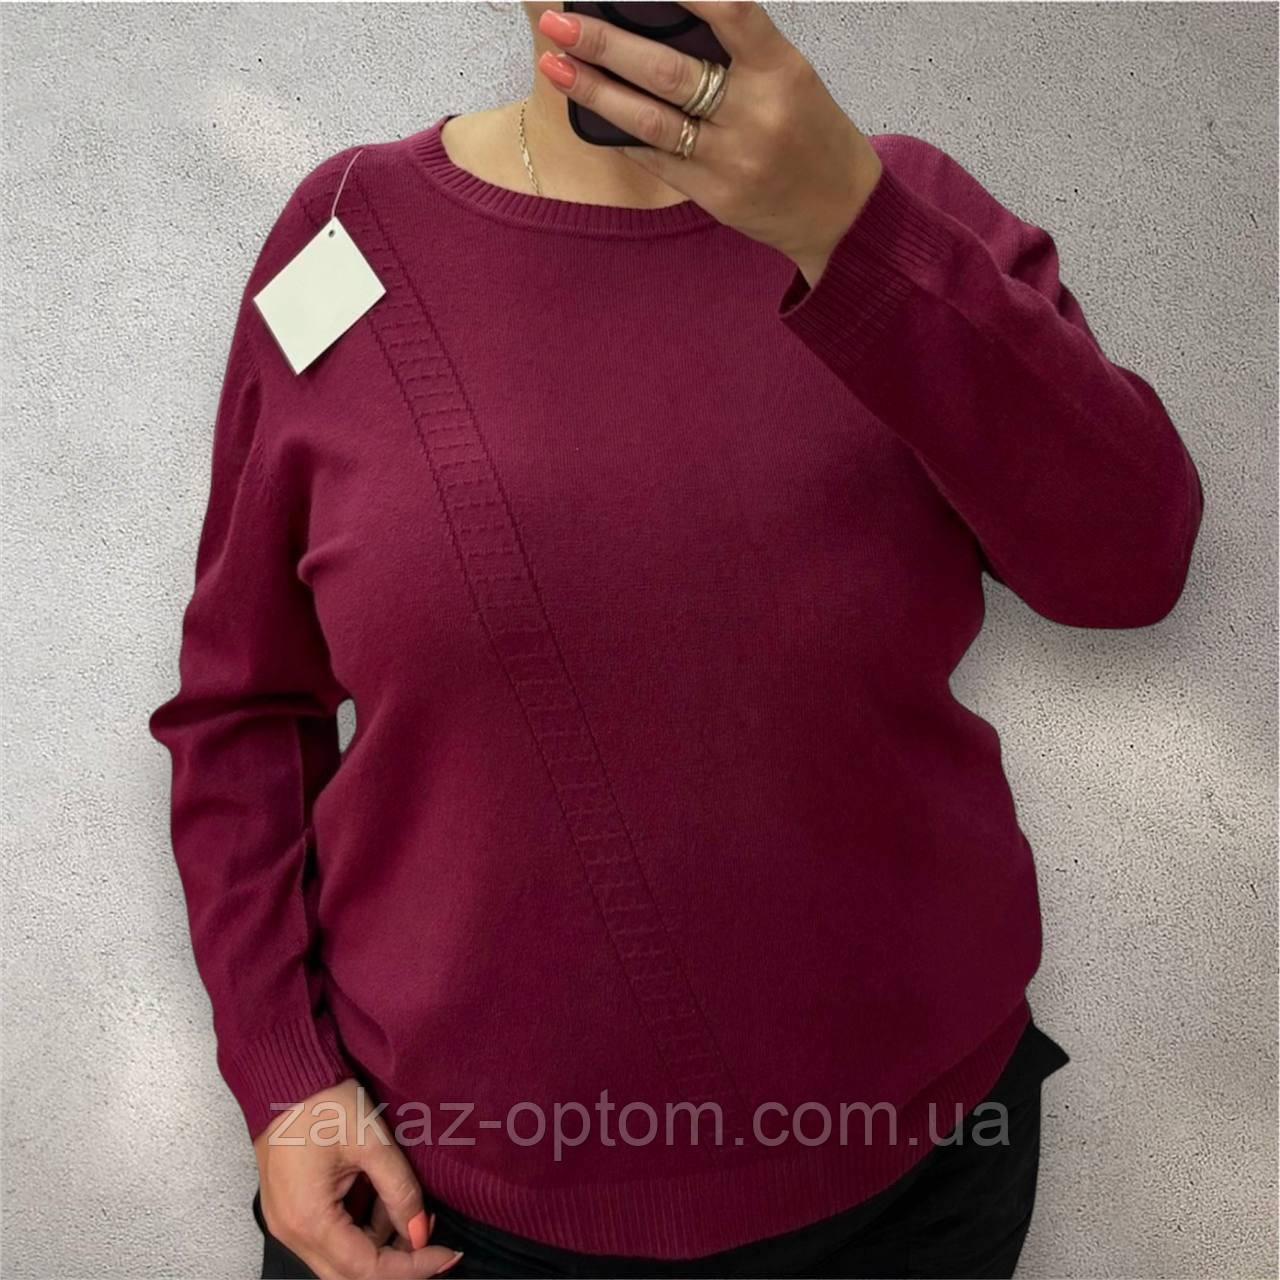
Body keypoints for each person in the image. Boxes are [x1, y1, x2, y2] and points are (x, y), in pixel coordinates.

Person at [147, 3, 1203, 1278]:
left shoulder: (906, 211)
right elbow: (244, 706)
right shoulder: (345, 240)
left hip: (906, 1182)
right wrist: (284, 1075)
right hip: (443, 1207)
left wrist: (851, 230)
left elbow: (1128, 567)